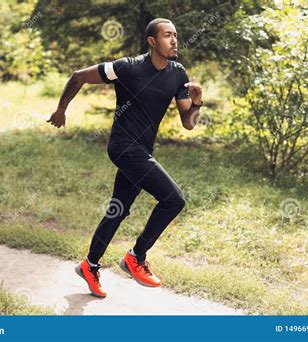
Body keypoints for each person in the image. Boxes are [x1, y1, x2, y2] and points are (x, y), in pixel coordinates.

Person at [46, 18, 203, 298]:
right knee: (173, 200)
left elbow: (188, 123)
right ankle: (136, 256)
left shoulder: (178, 74)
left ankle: (89, 265)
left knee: (118, 209)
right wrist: (61, 110)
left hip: (142, 151)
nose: (174, 40)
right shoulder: (127, 67)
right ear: (152, 41)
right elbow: (79, 75)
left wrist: (198, 101)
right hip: (123, 147)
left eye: (176, 35)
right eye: (167, 35)